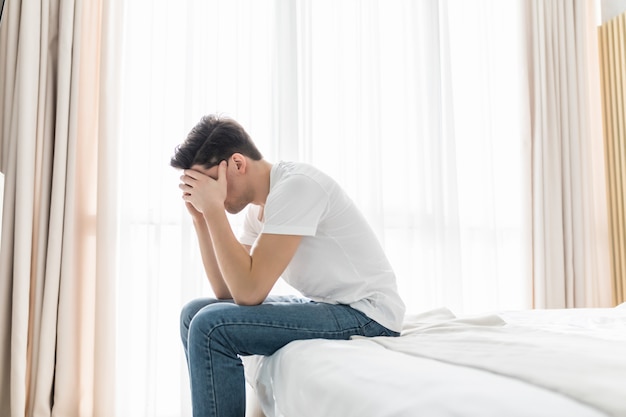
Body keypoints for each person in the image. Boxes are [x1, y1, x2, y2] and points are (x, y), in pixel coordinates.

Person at [172, 114, 405, 417]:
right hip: (329, 304)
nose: (206, 194)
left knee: (211, 326)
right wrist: (201, 219)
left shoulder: (296, 187)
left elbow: (249, 292)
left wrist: (214, 209)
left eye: (209, 183)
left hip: (368, 313)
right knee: (193, 314)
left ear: (238, 164)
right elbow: (226, 291)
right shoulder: (259, 211)